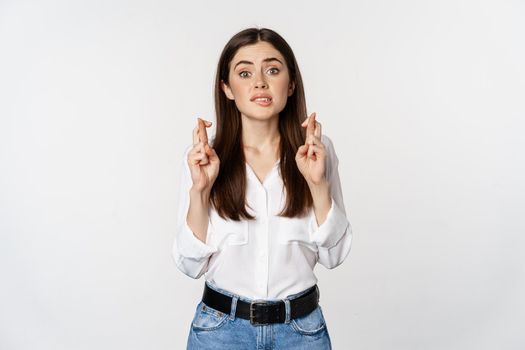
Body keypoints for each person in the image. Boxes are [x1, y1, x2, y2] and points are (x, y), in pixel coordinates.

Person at [172, 27, 353, 349]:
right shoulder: (205, 156)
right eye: (244, 73)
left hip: (301, 332)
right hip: (220, 332)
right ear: (227, 88)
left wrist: (318, 185)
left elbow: (334, 255)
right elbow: (190, 265)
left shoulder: (316, 151)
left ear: (291, 83)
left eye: (272, 70)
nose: (260, 82)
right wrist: (200, 191)